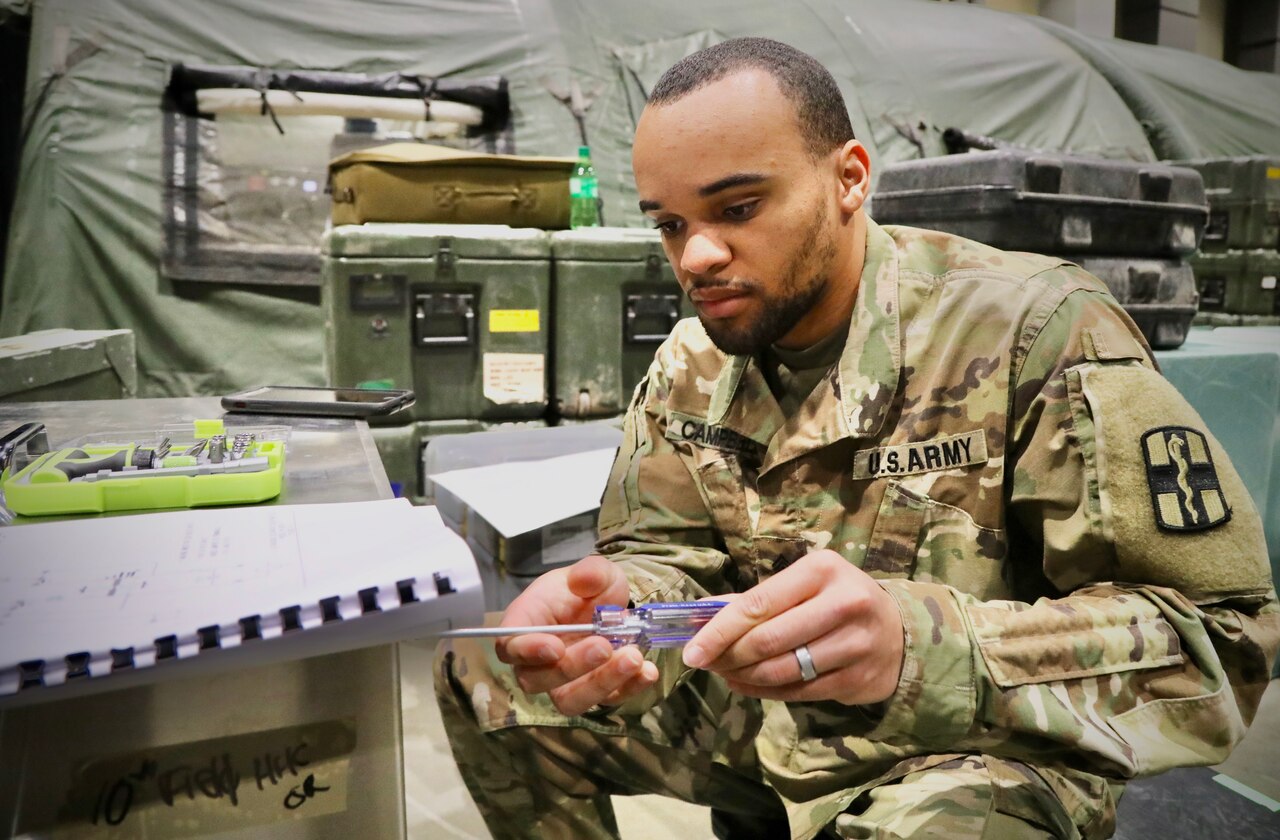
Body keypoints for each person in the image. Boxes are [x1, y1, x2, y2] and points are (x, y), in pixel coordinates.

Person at [436, 37, 1279, 840]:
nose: (695, 255)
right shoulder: (693, 358)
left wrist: (921, 646)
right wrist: (615, 608)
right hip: (769, 716)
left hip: (967, 749)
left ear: (849, 178)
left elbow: (1223, 645)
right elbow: (672, 553)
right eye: (668, 224)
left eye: (737, 208)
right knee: (487, 676)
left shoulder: (1037, 330)